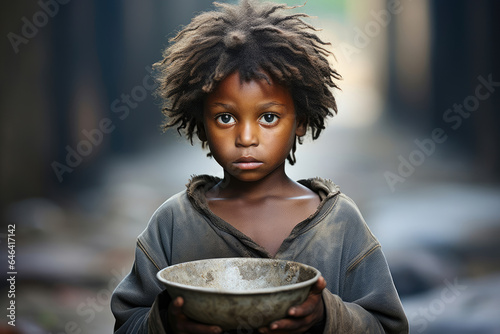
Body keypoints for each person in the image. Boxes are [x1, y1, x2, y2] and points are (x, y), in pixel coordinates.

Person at [111, 0, 409, 333]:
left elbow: (387, 326)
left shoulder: (339, 225)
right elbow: (127, 324)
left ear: (300, 120)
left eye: (268, 117)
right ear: (201, 121)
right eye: (226, 117)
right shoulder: (173, 224)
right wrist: (166, 321)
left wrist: (326, 316)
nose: (246, 137)